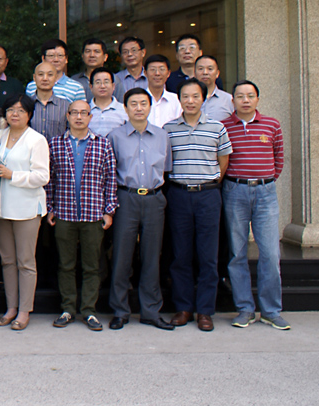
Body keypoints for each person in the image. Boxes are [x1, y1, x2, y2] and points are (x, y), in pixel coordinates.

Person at [164, 79, 232, 332]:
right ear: (179, 99)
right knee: (180, 255)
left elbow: (223, 162)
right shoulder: (168, 129)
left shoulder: (217, 127)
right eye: (185, 96)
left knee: (208, 255)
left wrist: (208, 183)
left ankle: (205, 310)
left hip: (208, 195)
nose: (190, 101)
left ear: (203, 99)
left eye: (195, 96)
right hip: (179, 195)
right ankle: (183, 308)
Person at [45, 100, 118, 332]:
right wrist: (50, 207)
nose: (79, 117)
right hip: (64, 214)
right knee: (65, 265)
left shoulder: (103, 144)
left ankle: (89, 311)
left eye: (83, 113)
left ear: (90, 117)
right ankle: (68, 309)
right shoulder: (55, 144)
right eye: (74, 113)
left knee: (92, 266)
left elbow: (110, 179)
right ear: (67, 116)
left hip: (93, 214)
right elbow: (49, 179)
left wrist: (109, 210)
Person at [222, 80, 289, 330]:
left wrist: (265, 181)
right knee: (237, 252)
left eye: (250, 96)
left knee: (270, 253)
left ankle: (271, 310)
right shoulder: (224, 126)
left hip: (265, 192)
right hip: (234, 191)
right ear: (233, 101)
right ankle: (245, 309)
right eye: (240, 96)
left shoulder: (272, 125)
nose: (245, 100)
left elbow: (278, 158)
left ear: (257, 99)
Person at [107, 88, 175, 331]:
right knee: (122, 256)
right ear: (125, 108)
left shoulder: (162, 136)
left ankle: (151, 311)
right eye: (133, 104)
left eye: (143, 103)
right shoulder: (115, 137)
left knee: (151, 256)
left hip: (154, 198)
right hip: (126, 198)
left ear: (149, 107)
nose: (138, 108)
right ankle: (120, 310)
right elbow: (109, 172)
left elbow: (166, 169)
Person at [0, 93, 50, 331]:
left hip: (26, 209)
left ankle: (24, 311)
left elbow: (42, 176)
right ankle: (11, 308)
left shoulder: (36, 140)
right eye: (10, 110)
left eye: (20, 110)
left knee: (25, 262)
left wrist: (12, 175)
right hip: (0, 208)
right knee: (7, 261)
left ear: (29, 114)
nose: (14, 114)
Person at [29, 62, 71, 142]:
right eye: (41, 74)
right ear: (34, 77)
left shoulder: (66, 106)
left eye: (50, 75)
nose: (45, 78)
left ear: (56, 78)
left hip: (57, 149)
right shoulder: (25, 104)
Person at [87, 68, 128, 138]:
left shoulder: (125, 110)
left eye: (106, 82)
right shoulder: (85, 111)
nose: (102, 86)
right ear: (91, 87)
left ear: (113, 86)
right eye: (98, 82)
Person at [144, 54, 182, 128]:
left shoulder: (177, 100)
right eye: (152, 69)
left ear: (168, 73)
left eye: (161, 69)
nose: (157, 73)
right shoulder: (138, 99)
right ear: (145, 73)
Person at [195, 56, 233, 122]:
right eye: (200, 69)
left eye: (210, 69)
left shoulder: (229, 100)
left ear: (217, 73)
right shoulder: (187, 99)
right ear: (194, 73)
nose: (205, 72)